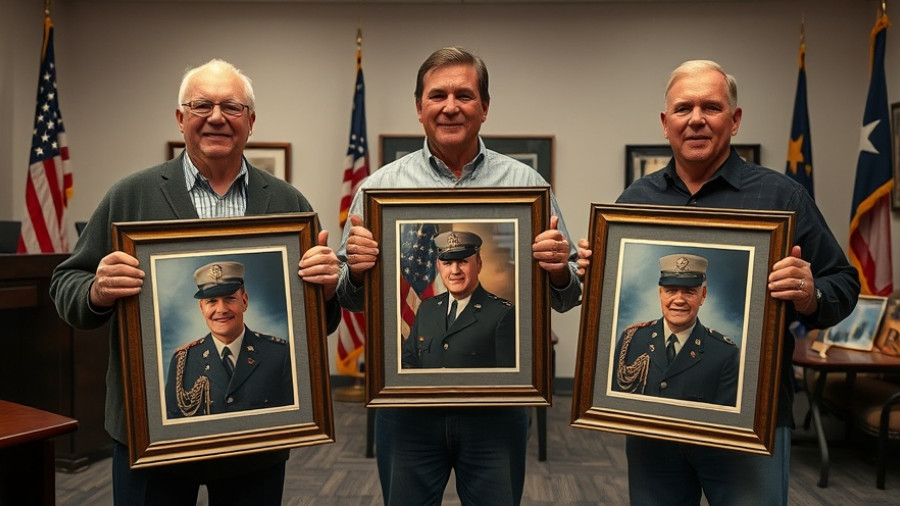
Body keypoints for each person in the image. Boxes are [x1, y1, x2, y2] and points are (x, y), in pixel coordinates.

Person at [49, 59, 342, 506]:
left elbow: (314, 325)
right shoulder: (130, 195)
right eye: (201, 104)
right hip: (151, 442)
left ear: (251, 121)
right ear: (180, 118)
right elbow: (66, 282)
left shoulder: (287, 203)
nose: (217, 117)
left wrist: (324, 290)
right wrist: (96, 290)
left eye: (232, 106)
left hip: (255, 442)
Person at [577, 59, 859, 505]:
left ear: (735, 119)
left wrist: (810, 293)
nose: (696, 119)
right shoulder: (635, 200)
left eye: (711, 106)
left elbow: (843, 283)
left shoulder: (782, 197)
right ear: (666, 123)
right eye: (684, 108)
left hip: (751, 423)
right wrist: (597, 277)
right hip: (653, 425)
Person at [337, 46, 581, 505]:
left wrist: (560, 272)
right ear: (419, 107)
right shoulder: (378, 190)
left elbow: (568, 295)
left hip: (497, 410)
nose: (451, 106)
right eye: (438, 95)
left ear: (484, 107)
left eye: (464, 95)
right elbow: (349, 300)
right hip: (407, 410)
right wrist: (354, 269)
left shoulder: (527, 187)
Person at [165, 261, 293, 418]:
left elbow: (293, 420)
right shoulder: (183, 361)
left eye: (230, 299)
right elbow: (173, 423)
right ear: (201, 308)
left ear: (244, 301)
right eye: (211, 301)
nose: (221, 309)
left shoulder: (279, 354)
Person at [613, 253, 739, 407]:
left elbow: (725, 422)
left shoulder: (724, 353)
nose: (679, 300)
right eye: (671, 290)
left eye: (689, 292)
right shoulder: (632, 339)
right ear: (660, 293)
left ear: (703, 295)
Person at [402, 230, 516, 369]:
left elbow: (509, 382)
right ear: (439, 266)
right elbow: (409, 363)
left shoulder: (502, 314)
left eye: (463, 261)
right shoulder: (427, 308)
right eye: (447, 263)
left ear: (479, 264)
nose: (455, 271)